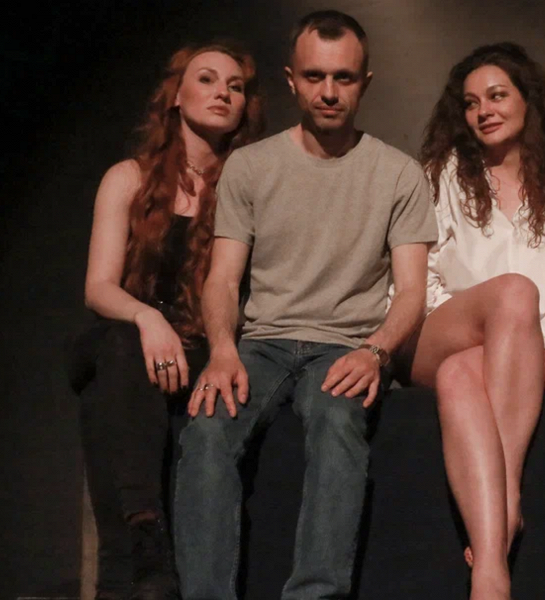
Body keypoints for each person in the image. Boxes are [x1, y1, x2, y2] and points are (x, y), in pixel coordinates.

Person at [171, 11, 437, 599]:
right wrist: (221, 351)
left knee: (338, 422)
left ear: (366, 81)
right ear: (292, 80)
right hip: (262, 342)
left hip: (345, 346)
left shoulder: (399, 173)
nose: (329, 91)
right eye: (315, 76)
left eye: (344, 77)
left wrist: (375, 352)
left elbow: (412, 291)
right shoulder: (251, 165)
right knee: (207, 429)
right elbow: (223, 279)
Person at [406, 42, 545, 599]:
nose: (483, 111)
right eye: (470, 103)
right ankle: (509, 491)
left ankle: (490, 566)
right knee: (515, 293)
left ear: (527, 100)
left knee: (462, 376)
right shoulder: (439, 177)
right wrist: (499, 330)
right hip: (434, 332)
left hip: (516, 351)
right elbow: (421, 280)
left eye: (496, 96)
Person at [75, 43, 263, 600]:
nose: (222, 92)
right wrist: (147, 318)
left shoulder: (247, 189)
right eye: (206, 79)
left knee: (105, 401)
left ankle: (131, 570)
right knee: (118, 347)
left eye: (235, 85)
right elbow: (98, 287)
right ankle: (146, 532)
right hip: (130, 342)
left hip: (205, 351)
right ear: (176, 96)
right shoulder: (128, 178)